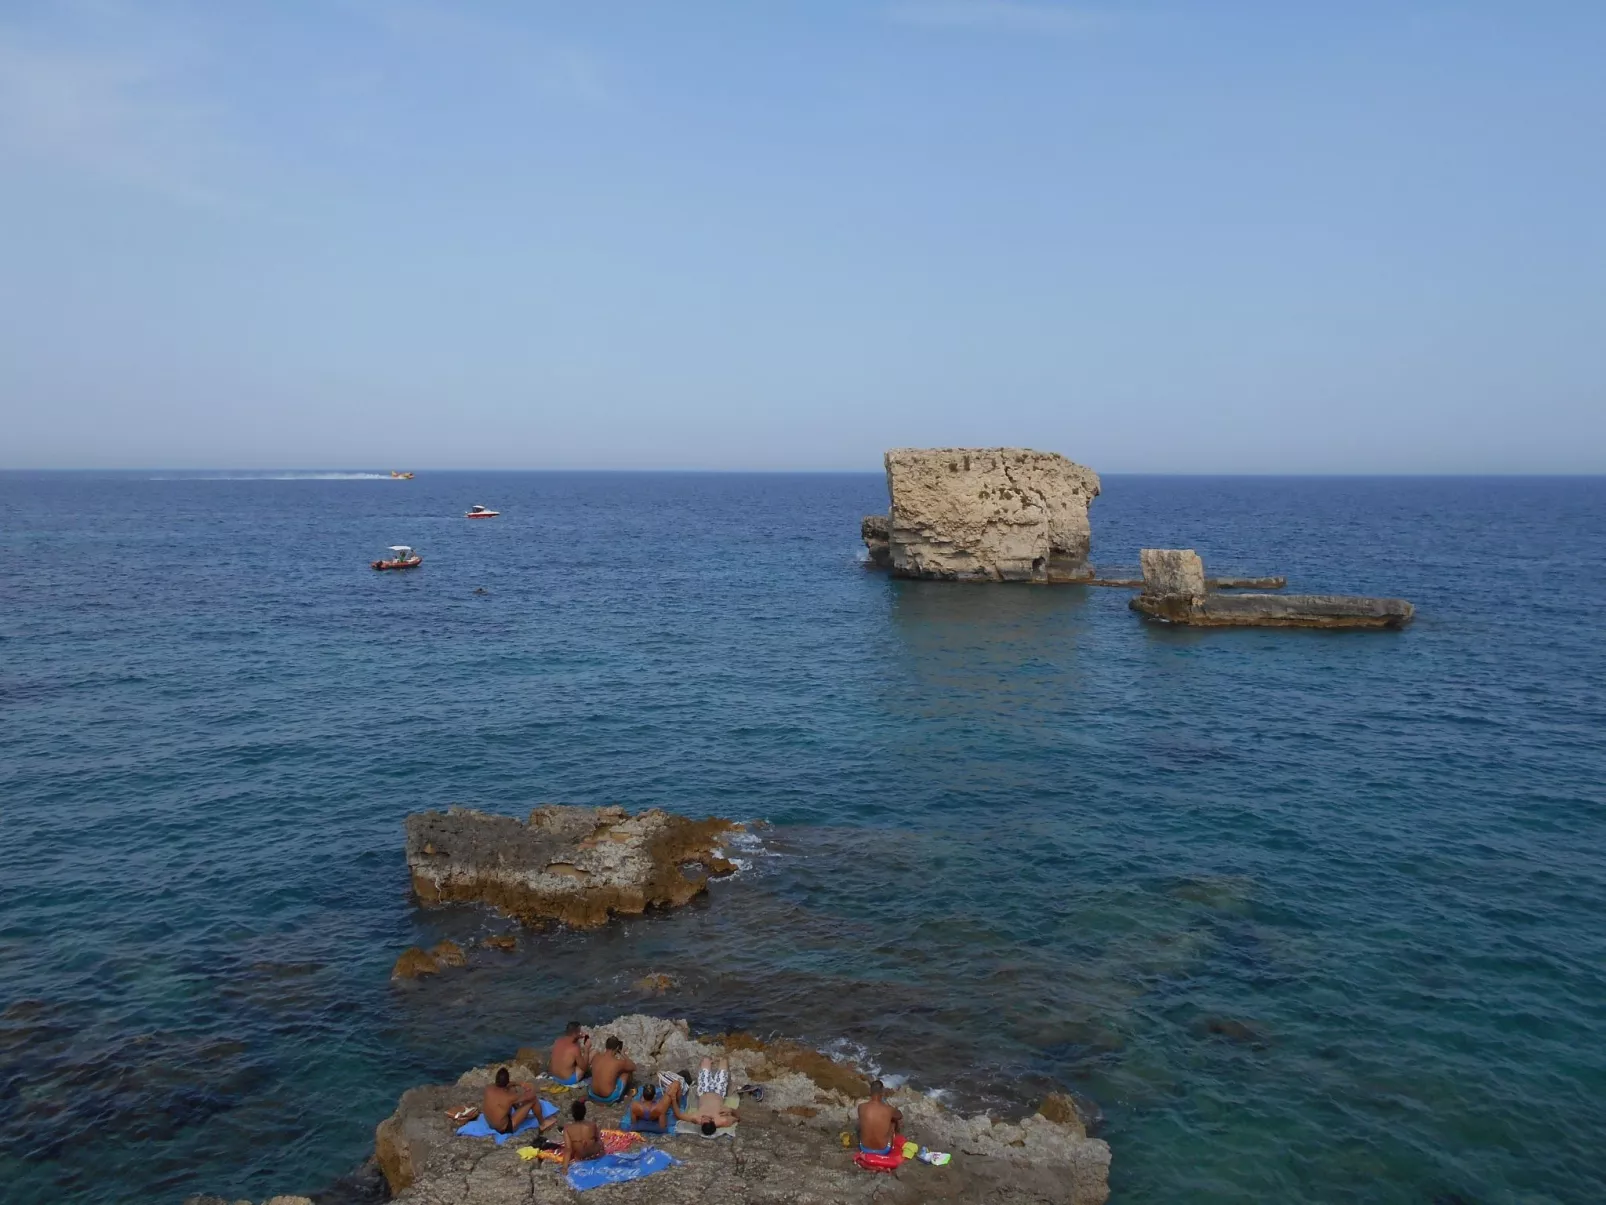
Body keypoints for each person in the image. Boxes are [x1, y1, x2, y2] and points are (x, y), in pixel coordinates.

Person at [482, 1067, 542, 1135]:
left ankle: (520, 1113)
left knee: (512, 1088)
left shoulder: (488, 1088)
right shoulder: (510, 1097)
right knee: (533, 1100)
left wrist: (520, 1084)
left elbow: (507, 1085)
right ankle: (542, 1124)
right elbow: (531, 1095)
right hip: (504, 1128)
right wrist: (529, 1087)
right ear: (507, 1081)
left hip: (490, 1124)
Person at [693, 1056, 739, 1133]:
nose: (703, 1118)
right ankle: (721, 1056)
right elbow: (738, 1118)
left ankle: (712, 1058)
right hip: (719, 1092)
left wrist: (674, 1100)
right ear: (713, 1122)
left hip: (704, 1090)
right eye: (706, 1119)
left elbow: (679, 1116)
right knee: (724, 1061)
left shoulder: (697, 1118)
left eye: (702, 1120)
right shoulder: (722, 1121)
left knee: (706, 1060)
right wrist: (730, 1110)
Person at [856, 1080, 903, 1155]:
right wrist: (892, 1109)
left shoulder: (861, 1107)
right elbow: (900, 1116)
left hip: (864, 1148)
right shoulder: (888, 1109)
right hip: (883, 1150)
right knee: (893, 1122)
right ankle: (894, 1138)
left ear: (870, 1092)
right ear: (882, 1093)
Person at [588, 1036, 637, 1103]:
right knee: (626, 1073)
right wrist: (623, 1054)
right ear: (617, 1048)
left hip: (593, 1094)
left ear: (606, 1046)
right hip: (608, 1098)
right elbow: (634, 1067)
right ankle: (628, 1091)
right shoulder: (618, 1063)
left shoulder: (596, 1057)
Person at [561, 1100, 603, 1168]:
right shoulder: (592, 1125)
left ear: (573, 1114)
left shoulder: (567, 1129)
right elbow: (598, 1140)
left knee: (572, 1149)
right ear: (585, 1112)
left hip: (580, 1156)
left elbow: (568, 1149)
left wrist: (564, 1167)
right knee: (599, 1142)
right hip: (593, 1153)